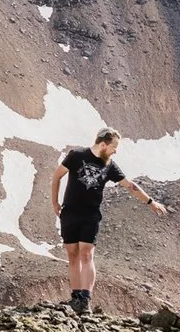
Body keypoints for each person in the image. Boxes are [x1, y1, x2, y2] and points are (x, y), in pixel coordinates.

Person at [53, 128, 166, 314]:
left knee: (87, 253)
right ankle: (75, 299)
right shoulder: (76, 155)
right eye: (114, 147)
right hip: (70, 213)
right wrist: (54, 203)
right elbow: (57, 176)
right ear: (103, 144)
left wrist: (150, 202)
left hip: (91, 216)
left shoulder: (110, 165)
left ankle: (85, 299)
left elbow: (130, 185)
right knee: (72, 254)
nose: (115, 151)